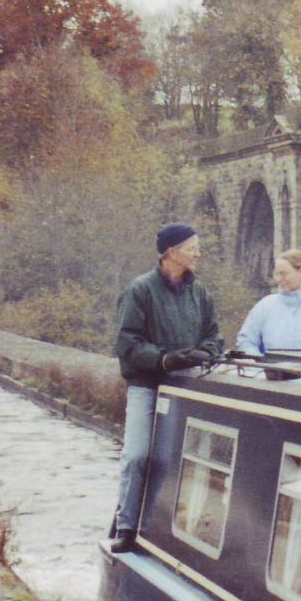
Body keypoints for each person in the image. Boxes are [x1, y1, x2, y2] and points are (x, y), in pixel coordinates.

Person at [111, 223, 222, 553]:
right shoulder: (140, 291)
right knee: (136, 455)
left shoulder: (199, 292)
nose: (198, 253)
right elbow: (127, 343)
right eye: (192, 248)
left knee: (179, 460)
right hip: (147, 384)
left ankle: (169, 527)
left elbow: (214, 335)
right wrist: (163, 360)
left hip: (186, 387)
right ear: (171, 252)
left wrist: (206, 352)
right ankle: (126, 525)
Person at [235, 249, 301, 355]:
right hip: (267, 370)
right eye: (277, 274)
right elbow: (246, 341)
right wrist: (260, 365)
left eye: (283, 274)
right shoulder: (265, 305)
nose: (279, 279)